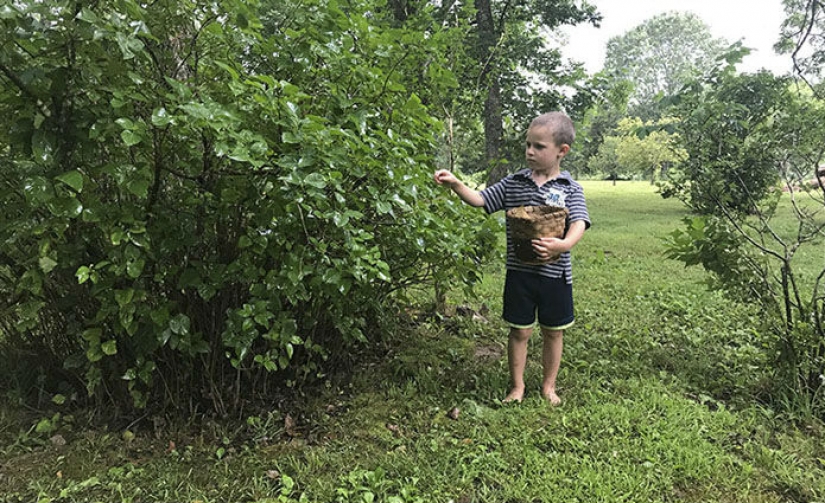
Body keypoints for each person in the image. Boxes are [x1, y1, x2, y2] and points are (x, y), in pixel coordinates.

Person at [433, 111, 590, 405]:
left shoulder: (570, 189)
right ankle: (517, 387)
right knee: (520, 330)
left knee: (553, 332)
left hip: (555, 277)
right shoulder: (515, 182)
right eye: (528, 144)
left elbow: (579, 222)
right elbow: (482, 200)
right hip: (520, 274)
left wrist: (563, 245)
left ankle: (548, 386)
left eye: (539, 146)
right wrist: (456, 184)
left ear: (562, 151)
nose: (530, 151)